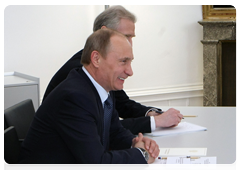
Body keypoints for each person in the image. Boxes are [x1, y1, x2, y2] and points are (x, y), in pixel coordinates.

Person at [15, 28, 159, 170]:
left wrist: (134, 142)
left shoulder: (100, 88)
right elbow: (97, 164)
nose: (130, 71)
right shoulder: (74, 97)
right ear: (96, 59)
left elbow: (114, 131)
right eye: (123, 61)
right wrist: (142, 154)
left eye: (130, 62)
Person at [43, 5, 183, 135]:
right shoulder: (80, 71)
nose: (129, 43)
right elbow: (105, 130)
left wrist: (151, 114)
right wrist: (156, 122)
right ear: (104, 32)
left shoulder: (96, 67)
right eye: (125, 36)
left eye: (131, 38)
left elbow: (121, 104)